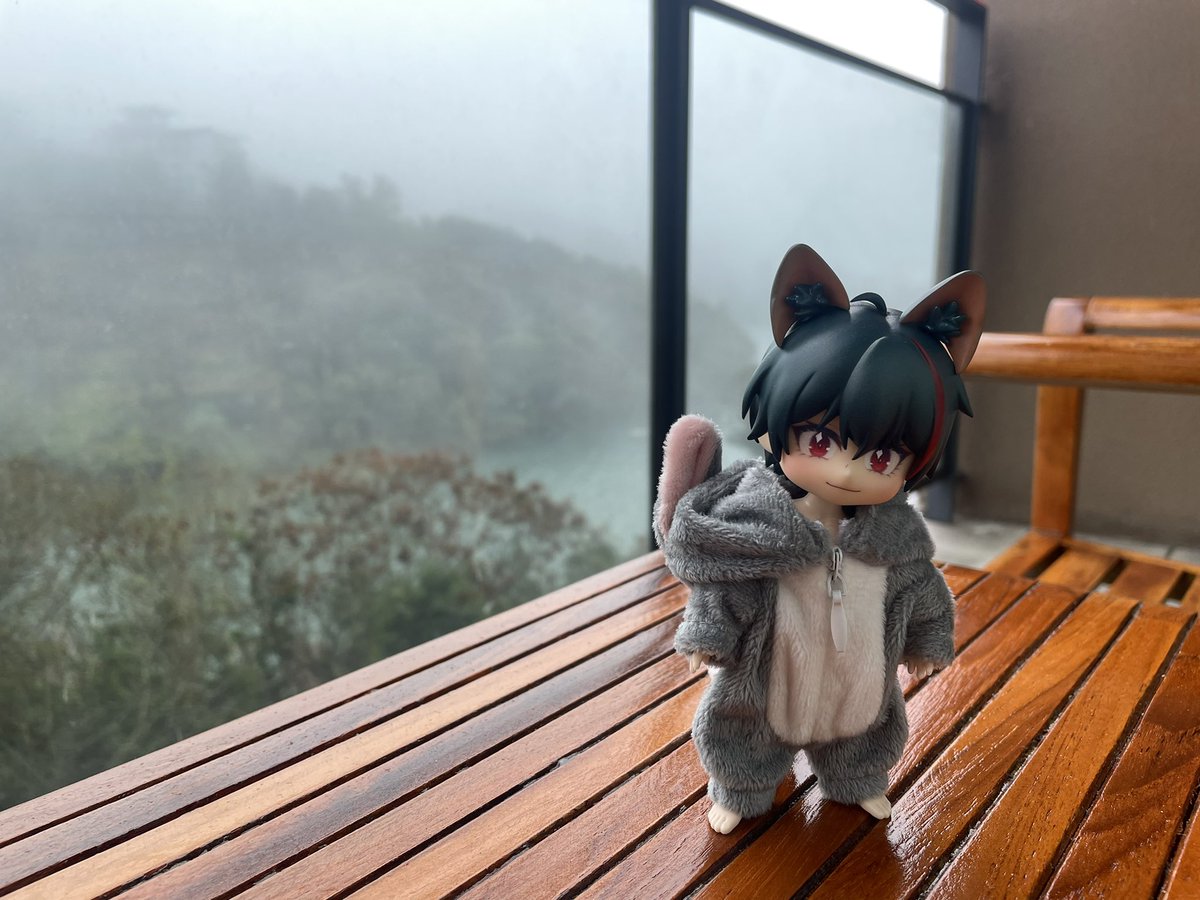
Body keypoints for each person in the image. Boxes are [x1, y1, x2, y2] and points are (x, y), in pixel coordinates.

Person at [653, 244, 985, 833]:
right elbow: (729, 586)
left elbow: (921, 590)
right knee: (744, 732)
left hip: (858, 682)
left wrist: (928, 638)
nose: (846, 471)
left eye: (881, 457)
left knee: (863, 728)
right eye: (821, 441)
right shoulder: (759, 530)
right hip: (764, 684)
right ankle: (741, 786)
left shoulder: (896, 540)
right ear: (774, 428)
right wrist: (709, 634)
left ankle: (858, 778)